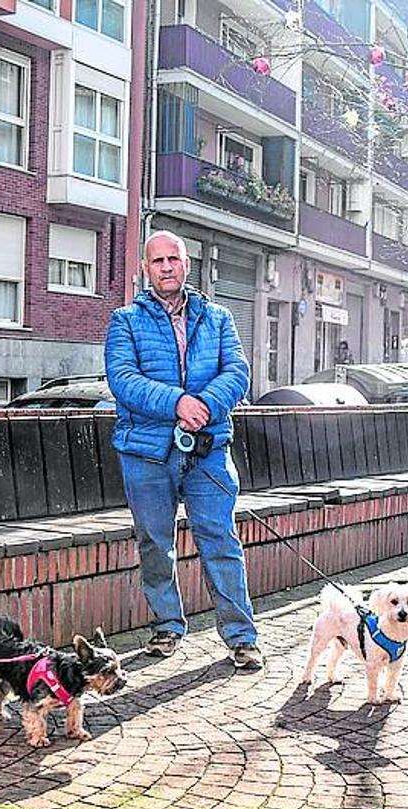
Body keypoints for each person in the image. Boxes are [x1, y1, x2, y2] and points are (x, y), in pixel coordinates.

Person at [105, 230, 263, 669]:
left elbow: (237, 372)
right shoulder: (125, 321)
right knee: (155, 543)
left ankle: (241, 636)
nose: (167, 267)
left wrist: (205, 406)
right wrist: (177, 403)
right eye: (158, 261)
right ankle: (167, 626)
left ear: (187, 264)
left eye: (173, 258)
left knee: (221, 541)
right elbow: (122, 380)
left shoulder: (218, 318)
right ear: (145, 269)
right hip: (145, 452)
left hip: (207, 449)